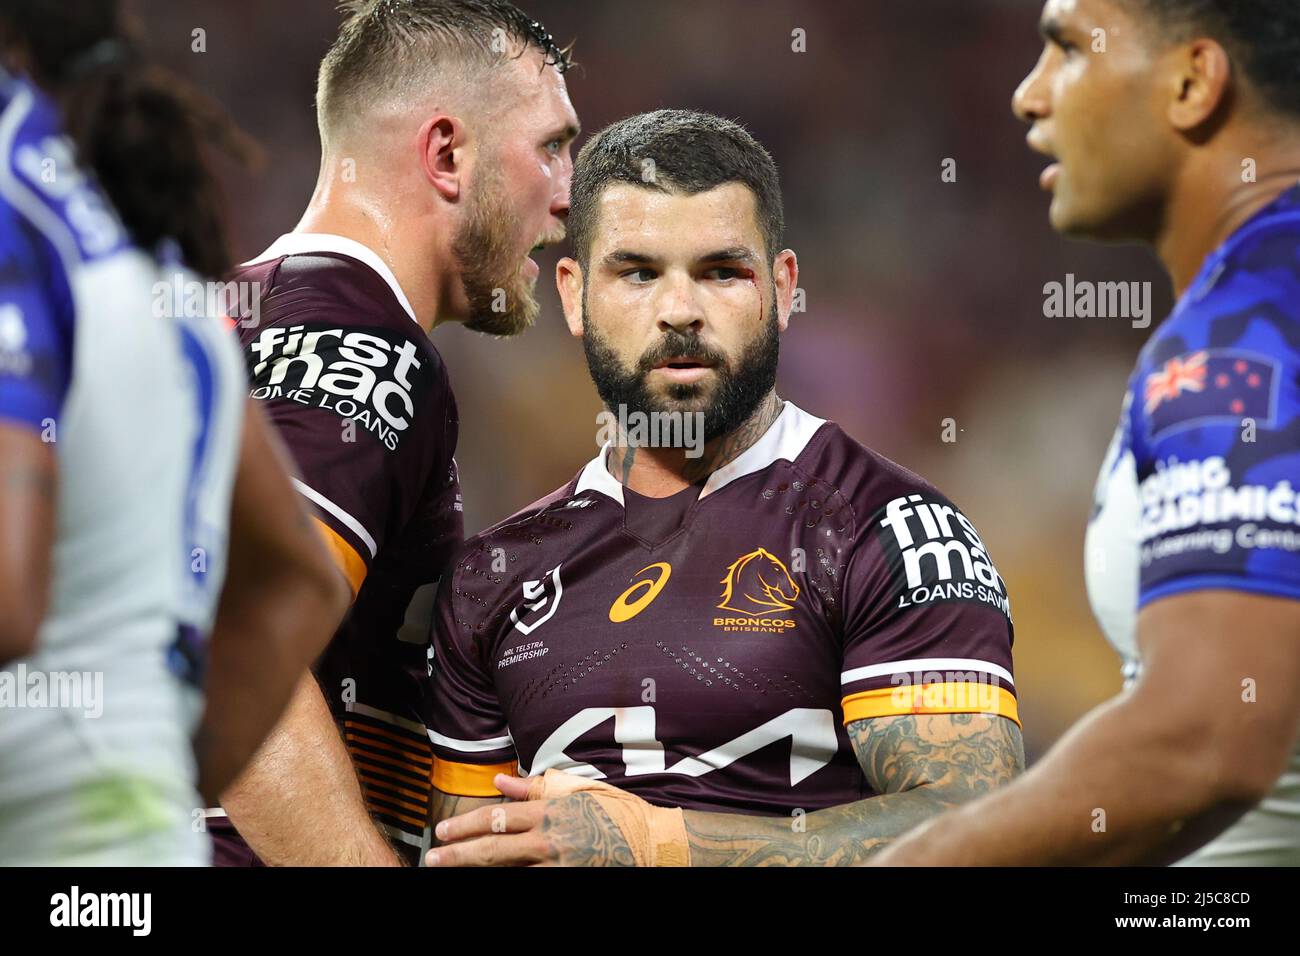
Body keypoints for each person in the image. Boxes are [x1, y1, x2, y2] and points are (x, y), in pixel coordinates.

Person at [422, 109, 1023, 867]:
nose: (680, 312)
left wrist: (658, 846)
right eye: (638, 272)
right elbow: (462, 854)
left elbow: (987, 832)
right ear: (572, 296)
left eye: (721, 272)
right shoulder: (490, 579)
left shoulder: (892, 532)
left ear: (781, 287)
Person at [877, 0, 1300, 866]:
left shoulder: (1249, 327)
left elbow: (1204, 743)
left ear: (1191, 82)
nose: (1028, 97)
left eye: (1067, 49)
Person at [209, 0, 580, 865]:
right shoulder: (365, 344)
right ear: (447, 153)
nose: (567, 199)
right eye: (552, 147)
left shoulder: (215, 315)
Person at [0, 0, 345, 864]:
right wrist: (146, 779)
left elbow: (9, 595)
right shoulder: (167, 297)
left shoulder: (15, 217)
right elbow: (298, 584)